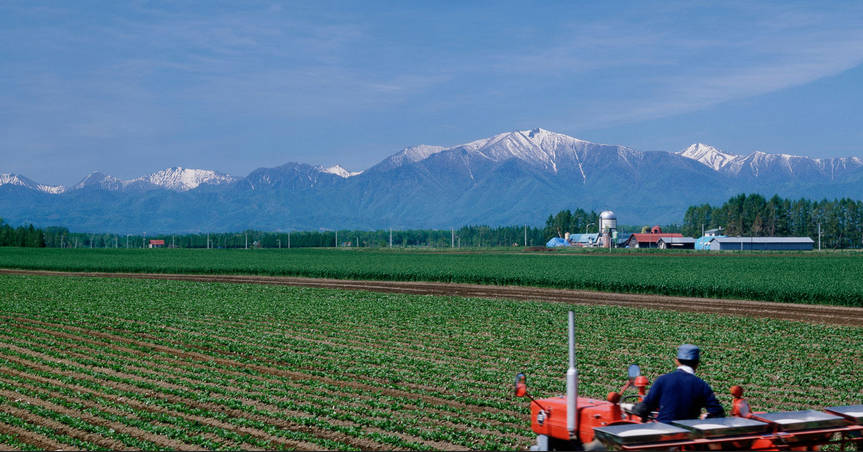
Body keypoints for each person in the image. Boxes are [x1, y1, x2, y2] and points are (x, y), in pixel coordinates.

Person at [632, 344, 725, 422]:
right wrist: (705, 417)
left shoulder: (663, 380)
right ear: (697, 364)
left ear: (676, 361)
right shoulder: (701, 385)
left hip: (664, 432)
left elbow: (644, 408)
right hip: (688, 433)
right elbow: (717, 412)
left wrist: (633, 408)